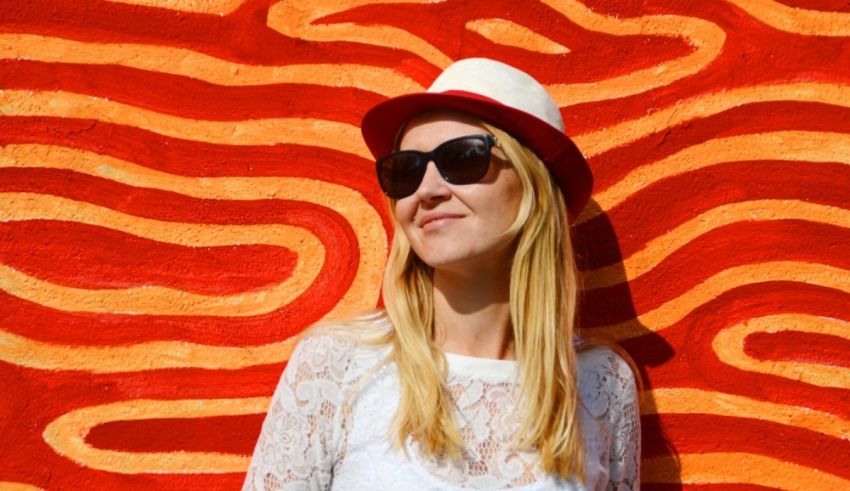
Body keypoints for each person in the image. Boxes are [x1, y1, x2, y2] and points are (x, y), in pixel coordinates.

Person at [243, 58, 640, 490]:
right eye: (407, 170)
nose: (427, 191)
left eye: (463, 158)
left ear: (533, 186)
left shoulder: (602, 384)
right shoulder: (337, 366)